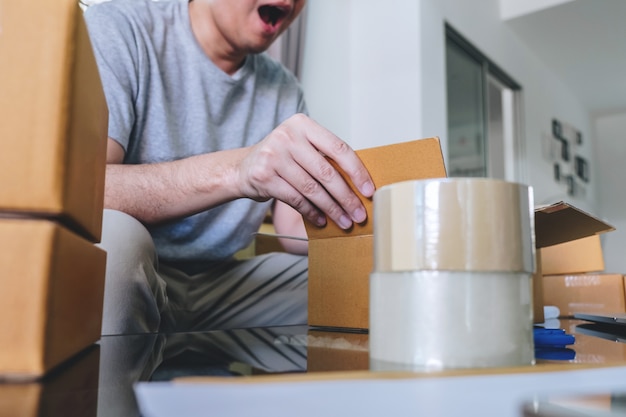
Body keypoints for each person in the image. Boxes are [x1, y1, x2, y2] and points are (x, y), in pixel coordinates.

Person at [83, 0, 375, 335]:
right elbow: (89, 188)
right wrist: (237, 170)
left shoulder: (284, 90)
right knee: (115, 242)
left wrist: (370, 222)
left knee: (356, 280)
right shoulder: (121, 27)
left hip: (222, 284)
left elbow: (294, 224)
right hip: (139, 269)